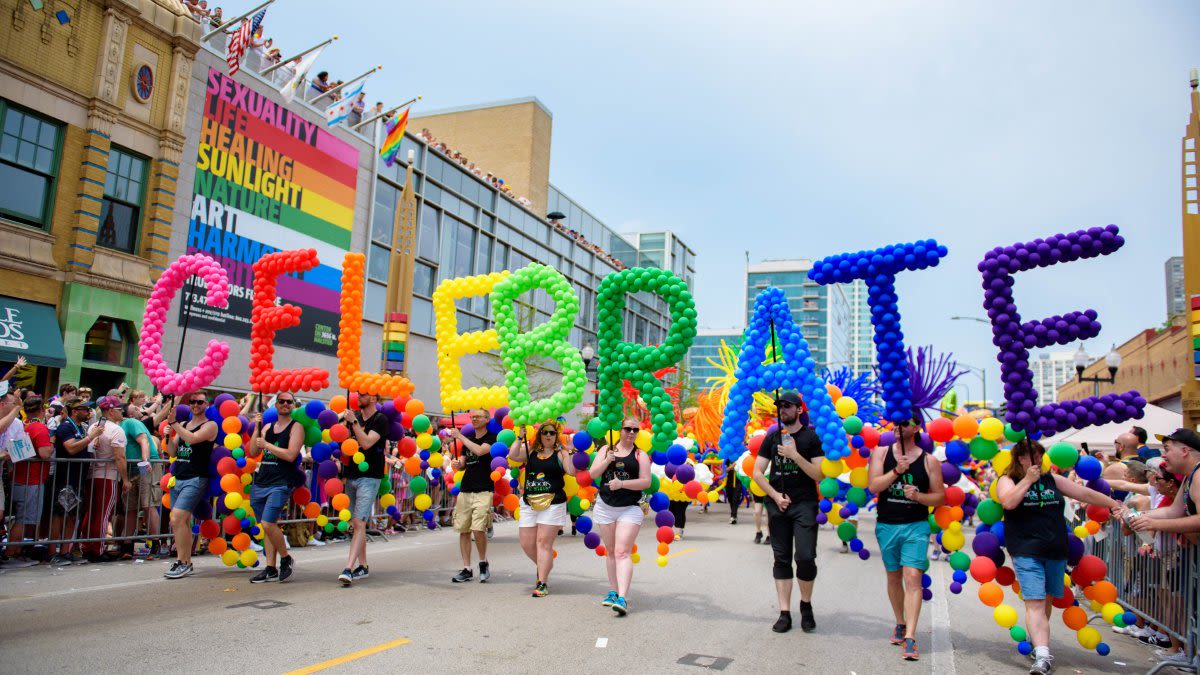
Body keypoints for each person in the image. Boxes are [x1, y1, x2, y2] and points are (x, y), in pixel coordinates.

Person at [997, 439, 1122, 675]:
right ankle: (1043, 656)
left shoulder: (1052, 479)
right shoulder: (1008, 480)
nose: (1036, 460)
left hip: (1054, 548)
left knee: (1046, 600)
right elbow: (1008, 502)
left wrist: (1112, 504)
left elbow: (1084, 492)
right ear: (1020, 459)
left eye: (1039, 455)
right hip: (1025, 549)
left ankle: (1037, 642)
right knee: (1034, 601)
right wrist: (1027, 480)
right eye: (1031, 456)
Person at [866, 415, 946, 660]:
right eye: (897, 422)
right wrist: (897, 471)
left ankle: (910, 636)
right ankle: (900, 622)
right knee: (894, 575)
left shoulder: (929, 460)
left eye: (906, 422)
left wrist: (918, 497)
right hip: (887, 525)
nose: (899, 426)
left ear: (917, 427)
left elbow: (940, 497)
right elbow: (874, 486)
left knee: (913, 577)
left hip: (916, 525)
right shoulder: (880, 453)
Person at [751, 391, 825, 634]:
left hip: (805, 504)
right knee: (781, 559)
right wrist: (774, 496)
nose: (782, 409)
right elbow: (758, 473)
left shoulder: (811, 437)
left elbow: (819, 474)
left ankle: (806, 604)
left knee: (805, 557)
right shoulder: (772, 437)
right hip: (778, 505)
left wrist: (794, 455)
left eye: (787, 406)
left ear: (799, 410)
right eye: (779, 406)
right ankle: (784, 612)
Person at [588, 417, 652, 616]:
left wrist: (622, 484)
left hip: (629, 508)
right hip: (605, 506)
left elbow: (645, 482)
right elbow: (592, 473)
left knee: (623, 552)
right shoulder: (606, 449)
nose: (631, 433)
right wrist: (607, 461)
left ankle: (622, 598)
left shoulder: (640, 455)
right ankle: (613, 591)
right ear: (620, 430)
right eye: (628, 429)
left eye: (635, 430)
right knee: (611, 551)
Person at [510, 421, 576, 597]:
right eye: (545, 432)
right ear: (539, 435)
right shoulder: (531, 451)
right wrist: (519, 437)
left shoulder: (561, 453)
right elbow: (513, 455)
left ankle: (542, 582)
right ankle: (544, 564)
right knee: (526, 544)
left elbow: (571, 471)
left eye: (552, 433)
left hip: (553, 502)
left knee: (543, 543)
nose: (548, 435)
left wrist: (570, 451)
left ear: (556, 436)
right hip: (529, 502)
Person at [248, 393, 304, 583]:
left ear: (293, 406)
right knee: (267, 527)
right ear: (276, 405)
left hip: (281, 482)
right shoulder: (266, 427)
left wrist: (267, 445)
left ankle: (286, 558)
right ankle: (270, 567)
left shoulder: (296, 428)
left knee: (267, 523)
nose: (286, 404)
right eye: (282, 401)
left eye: (289, 402)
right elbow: (253, 451)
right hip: (262, 480)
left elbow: (290, 454)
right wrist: (256, 427)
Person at [338, 391, 390, 586]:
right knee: (355, 522)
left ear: (375, 398)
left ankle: (348, 568)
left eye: (364, 395)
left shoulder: (380, 419)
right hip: (351, 474)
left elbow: (367, 443)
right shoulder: (355, 417)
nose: (359, 397)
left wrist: (353, 423)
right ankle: (363, 565)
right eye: (358, 394)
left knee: (359, 522)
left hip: (370, 476)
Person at [164, 392, 217, 579]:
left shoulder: (210, 425)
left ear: (206, 404)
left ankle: (182, 561)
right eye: (192, 402)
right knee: (182, 521)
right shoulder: (184, 425)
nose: (195, 405)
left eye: (199, 402)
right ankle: (185, 560)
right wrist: (168, 436)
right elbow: (172, 451)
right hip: (179, 476)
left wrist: (174, 424)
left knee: (177, 518)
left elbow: (193, 439)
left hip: (196, 478)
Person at [449, 409, 496, 583]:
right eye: (472, 417)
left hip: (484, 488)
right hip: (466, 488)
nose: (474, 419)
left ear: (487, 419)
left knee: (479, 528)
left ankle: (483, 562)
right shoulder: (466, 441)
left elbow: (480, 451)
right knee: (464, 529)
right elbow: (463, 463)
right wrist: (458, 464)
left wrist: (460, 436)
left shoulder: (491, 437)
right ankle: (467, 568)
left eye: (478, 416)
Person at [4, 396, 53, 566]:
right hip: (30, 479)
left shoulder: (23, 424)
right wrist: (51, 444)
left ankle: (16, 552)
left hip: (19, 477)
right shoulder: (39, 427)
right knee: (23, 518)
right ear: (41, 410)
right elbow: (45, 453)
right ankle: (11, 554)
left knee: (22, 517)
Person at [82, 396, 130, 562]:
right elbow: (119, 457)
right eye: (118, 409)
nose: (121, 411)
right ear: (110, 410)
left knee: (92, 513)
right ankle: (97, 549)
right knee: (103, 514)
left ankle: (88, 546)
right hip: (108, 477)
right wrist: (125, 479)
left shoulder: (94, 426)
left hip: (92, 476)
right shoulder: (116, 430)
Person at [48, 397, 95, 565]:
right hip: (64, 478)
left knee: (72, 515)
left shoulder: (81, 428)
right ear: (75, 411)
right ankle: (53, 552)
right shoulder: (65, 427)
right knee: (60, 515)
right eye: (84, 409)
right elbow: (71, 448)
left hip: (78, 478)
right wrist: (90, 439)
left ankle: (66, 551)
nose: (88, 412)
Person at [117, 401, 162, 557]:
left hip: (145, 467)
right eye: (134, 408)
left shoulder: (132, 422)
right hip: (130, 470)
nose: (139, 409)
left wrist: (145, 461)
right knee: (130, 507)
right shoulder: (119, 425)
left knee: (148, 505)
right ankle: (127, 546)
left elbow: (143, 440)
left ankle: (154, 544)